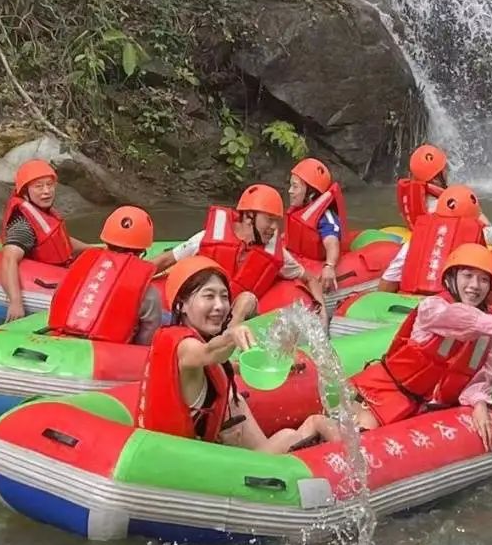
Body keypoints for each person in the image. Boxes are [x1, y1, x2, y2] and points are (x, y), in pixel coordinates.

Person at [135, 256, 338, 452]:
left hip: (203, 450)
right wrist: (231, 334)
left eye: (224, 296)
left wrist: (247, 366)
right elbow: (210, 353)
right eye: (209, 296)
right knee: (301, 430)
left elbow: (213, 366)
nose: (220, 305)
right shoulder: (185, 346)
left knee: (236, 399)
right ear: (182, 305)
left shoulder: (187, 343)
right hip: (190, 464)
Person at [349, 243, 492, 450]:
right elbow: (461, 319)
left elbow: (484, 377)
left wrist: (479, 403)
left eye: (484, 280)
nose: (475, 285)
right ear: (451, 278)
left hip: (423, 407)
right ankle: (317, 424)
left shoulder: (491, 331)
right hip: (383, 391)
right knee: (363, 438)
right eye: (468, 276)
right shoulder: (433, 308)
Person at [149, 184, 322, 311]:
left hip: (236, 314)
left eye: (277, 220)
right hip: (202, 308)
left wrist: (321, 309)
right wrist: (134, 277)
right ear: (249, 217)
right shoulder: (206, 238)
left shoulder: (276, 254)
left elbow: (310, 278)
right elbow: (166, 259)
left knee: (247, 299)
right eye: (269, 219)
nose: (275, 228)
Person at [47, 205, 163, 346]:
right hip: (107, 353)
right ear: (142, 250)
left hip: (58, 340)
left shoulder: (80, 266)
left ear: (106, 241)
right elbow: (146, 342)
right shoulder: (149, 293)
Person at [0, 159, 89, 322]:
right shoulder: (23, 225)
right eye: (39, 186)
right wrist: (15, 302)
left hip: (60, 266)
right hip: (42, 279)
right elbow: (9, 259)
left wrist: (94, 248)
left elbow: (60, 240)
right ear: (25, 192)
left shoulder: (43, 212)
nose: (46, 191)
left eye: (50, 185)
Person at [379, 185, 491, 296]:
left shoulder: (419, 236)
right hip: (448, 304)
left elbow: (389, 281)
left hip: (409, 299)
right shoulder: (475, 242)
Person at [285, 158, 346, 296]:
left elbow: (331, 241)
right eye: (290, 185)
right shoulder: (299, 210)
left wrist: (329, 266)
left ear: (311, 194)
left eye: (295, 186)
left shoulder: (325, 217)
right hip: (299, 257)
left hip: (315, 263)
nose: (289, 191)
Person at [397, 143, 449, 227]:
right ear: (435, 179)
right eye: (445, 168)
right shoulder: (439, 205)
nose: (447, 171)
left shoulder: (414, 195)